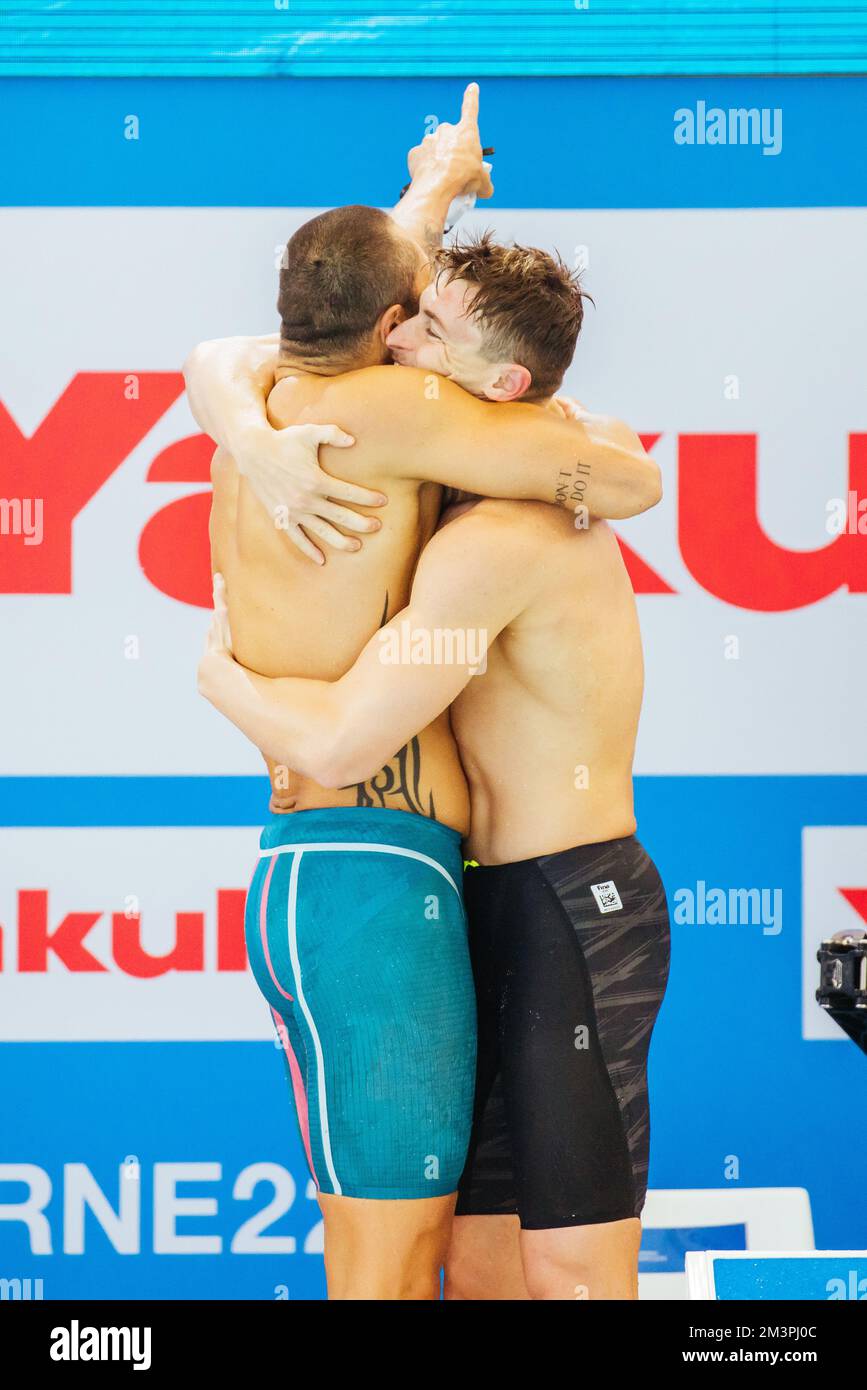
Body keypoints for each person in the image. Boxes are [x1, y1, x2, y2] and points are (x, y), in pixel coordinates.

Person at [186, 85, 660, 1301]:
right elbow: (616, 472)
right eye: (410, 322)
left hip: (526, 892)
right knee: (407, 1265)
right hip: (385, 875)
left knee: (514, 1270)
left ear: (493, 391)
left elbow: (255, 345)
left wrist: (435, 190)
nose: (406, 347)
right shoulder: (392, 424)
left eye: (432, 338)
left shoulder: (467, 502)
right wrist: (220, 676)